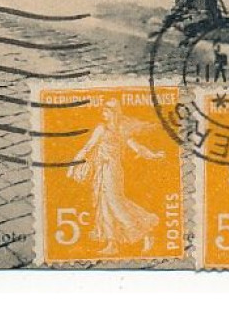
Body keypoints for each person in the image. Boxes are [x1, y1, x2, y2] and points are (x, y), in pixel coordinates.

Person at [67, 99, 165, 256]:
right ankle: (112, 243)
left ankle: (146, 233)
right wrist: (73, 164)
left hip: (113, 171)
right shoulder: (101, 129)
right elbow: (87, 147)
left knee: (116, 203)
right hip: (101, 170)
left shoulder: (121, 129)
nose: (103, 114)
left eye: (106, 111)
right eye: (103, 111)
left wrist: (152, 155)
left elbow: (136, 146)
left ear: (114, 113)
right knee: (103, 204)